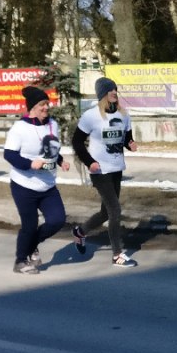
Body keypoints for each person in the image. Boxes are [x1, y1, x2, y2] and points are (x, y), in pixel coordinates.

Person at [72, 77, 139, 267]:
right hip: (99, 170)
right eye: (110, 90)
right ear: (102, 94)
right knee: (115, 210)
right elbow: (77, 141)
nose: (114, 93)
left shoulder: (124, 115)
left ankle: (80, 232)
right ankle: (117, 255)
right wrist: (89, 162)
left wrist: (130, 144)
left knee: (105, 212)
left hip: (116, 168)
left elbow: (126, 138)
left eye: (115, 89)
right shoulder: (91, 116)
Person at [4, 84, 70, 274]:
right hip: (24, 185)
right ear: (32, 107)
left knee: (57, 220)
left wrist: (60, 161)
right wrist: (30, 164)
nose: (46, 108)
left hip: (47, 185)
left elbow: (51, 149)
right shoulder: (19, 128)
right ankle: (20, 261)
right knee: (29, 226)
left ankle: (32, 245)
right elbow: (9, 155)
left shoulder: (52, 124)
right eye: (42, 104)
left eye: (47, 104)